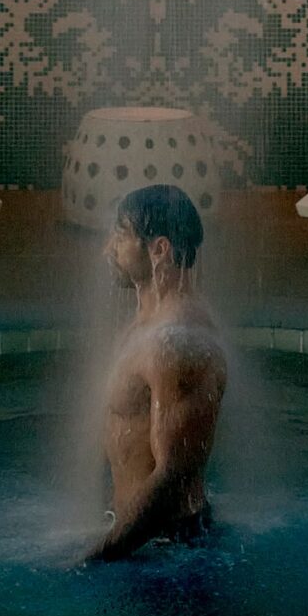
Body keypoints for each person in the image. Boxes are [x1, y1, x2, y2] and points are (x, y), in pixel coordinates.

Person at [88, 182, 228, 562]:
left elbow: (173, 479)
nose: (108, 250)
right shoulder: (145, 325)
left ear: (159, 249)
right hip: (138, 538)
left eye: (121, 237)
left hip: (172, 553)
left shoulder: (177, 343)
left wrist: (90, 563)